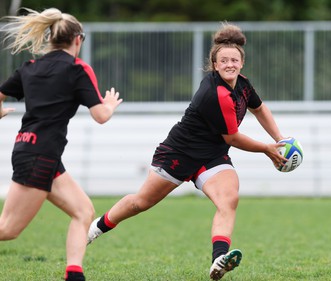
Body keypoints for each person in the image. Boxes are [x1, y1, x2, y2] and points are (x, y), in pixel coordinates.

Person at [87, 22, 287, 280]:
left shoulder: (243, 86)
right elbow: (233, 137)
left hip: (212, 155)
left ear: (241, 63)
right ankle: (94, 229)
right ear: (215, 65)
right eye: (223, 60)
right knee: (141, 203)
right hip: (178, 153)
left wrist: (280, 139)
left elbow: (259, 109)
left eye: (234, 60)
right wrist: (266, 149)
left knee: (229, 199)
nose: (229, 64)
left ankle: (218, 260)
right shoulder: (215, 93)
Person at [0, 7, 122, 281]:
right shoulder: (78, 69)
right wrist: (110, 105)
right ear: (77, 39)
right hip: (39, 154)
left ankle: (74, 274)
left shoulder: (30, 67)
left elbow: (1, 95)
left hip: (33, 151)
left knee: (83, 211)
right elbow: (100, 116)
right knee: (8, 230)